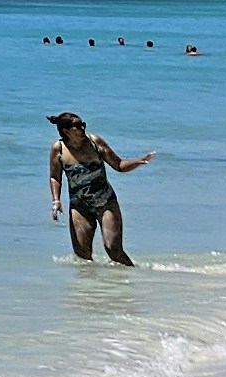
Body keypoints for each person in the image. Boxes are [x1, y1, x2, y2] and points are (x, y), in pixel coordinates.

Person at [47, 109, 150, 264]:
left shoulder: (94, 142)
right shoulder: (58, 149)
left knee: (113, 250)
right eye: (77, 126)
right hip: (79, 206)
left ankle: (131, 280)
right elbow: (55, 177)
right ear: (65, 130)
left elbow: (119, 165)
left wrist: (138, 162)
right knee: (82, 256)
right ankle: (91, 288)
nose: (82, 128)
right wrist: (56, 201)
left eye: (83, 124)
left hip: (105, 202)